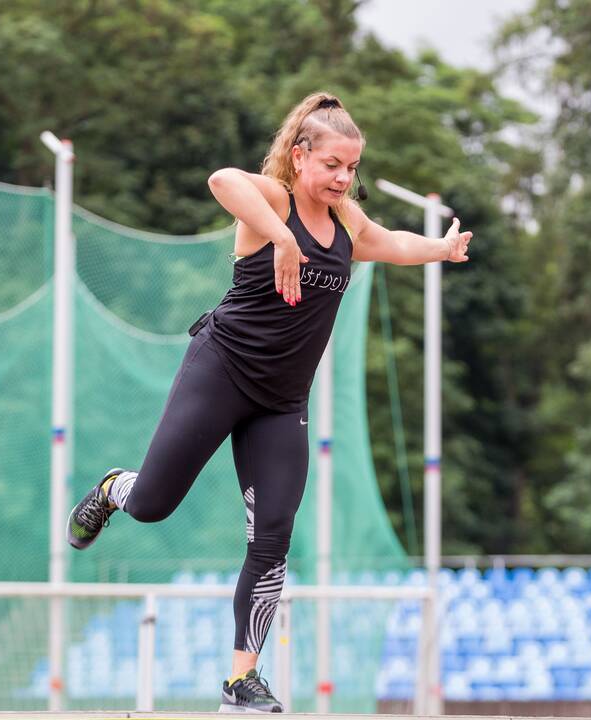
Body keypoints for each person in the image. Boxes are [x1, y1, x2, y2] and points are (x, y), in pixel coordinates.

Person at [66, 91, 471, 713]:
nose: (343, 178)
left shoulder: (345, 225)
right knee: (152, 505)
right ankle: (116, 487)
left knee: (272, 536)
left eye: (352, 168)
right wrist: (281, 238)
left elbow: (387, 241)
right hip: (221, 373)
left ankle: (241, 682)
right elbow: (222, 179)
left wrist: (439, 251)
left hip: (281, 404)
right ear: (299, 156)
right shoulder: (273, 202)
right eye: (332, 165)